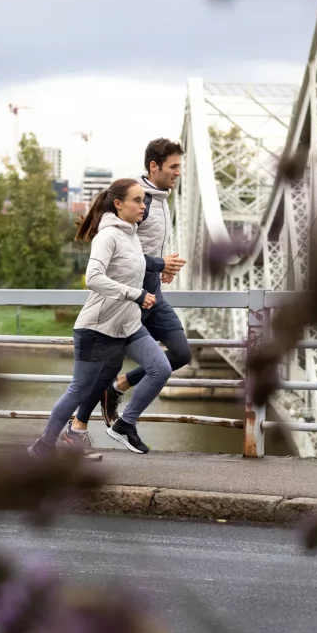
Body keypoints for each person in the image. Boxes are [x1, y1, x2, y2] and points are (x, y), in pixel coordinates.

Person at [29, 178, 172, 459]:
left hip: (127, 326)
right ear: (118, 204)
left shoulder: (131, 234)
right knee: (79, 391)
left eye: (144, 200)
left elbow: (136, 266)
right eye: (137, 200)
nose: (143, 206)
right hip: (97, 328)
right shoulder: (107, 236)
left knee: (161, 367)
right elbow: (93, 278)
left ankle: (124, 424)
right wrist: (135, 294)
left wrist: (164, 267)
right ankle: (43, 447)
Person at [71, 138, 190, 434]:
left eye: (180, 166)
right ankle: (78, 427)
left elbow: (145, 249)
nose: (178, 172)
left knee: (180, 353)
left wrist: (165, 266)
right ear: (154, 166)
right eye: (173, 167)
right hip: (132, 297)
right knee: (107, 368)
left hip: (154, 294)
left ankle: (119, 386)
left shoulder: (161, 197)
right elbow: (124, 254)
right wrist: (159, 263)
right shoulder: (142, 201)